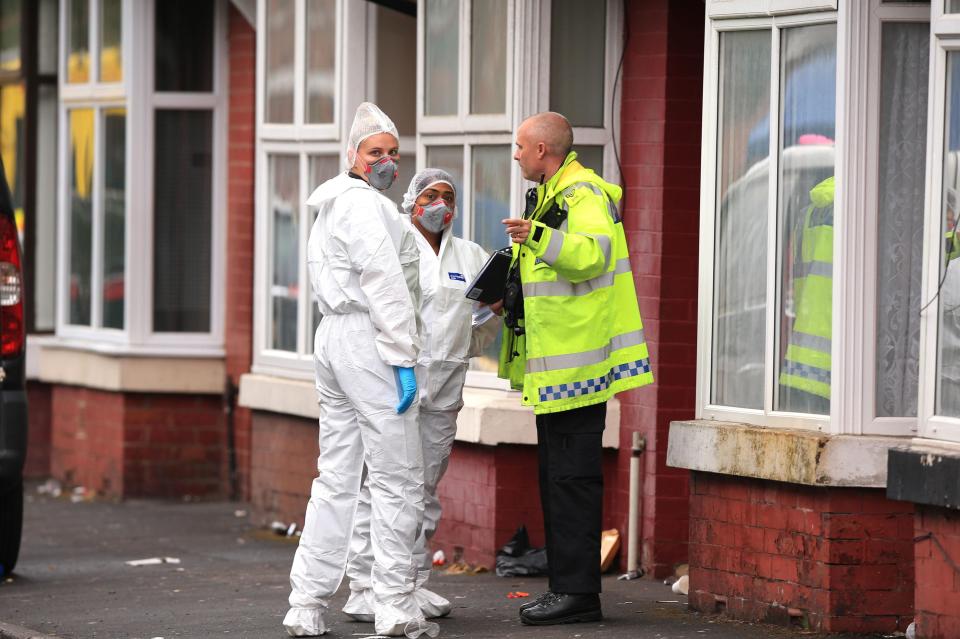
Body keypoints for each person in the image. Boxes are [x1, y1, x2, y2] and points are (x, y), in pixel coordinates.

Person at [283, 102, 434, 638]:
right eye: (377, 152)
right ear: (353, 154)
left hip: (334, 339)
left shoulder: (331, 205)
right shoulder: (365, 208)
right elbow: (386, 286)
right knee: (398, 476)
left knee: (337, 477)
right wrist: (402, 358)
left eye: (394, 153)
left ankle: (307, 602)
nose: (387, 161)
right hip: (368, 342)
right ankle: (394, 603)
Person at [498, 112, 654, 626]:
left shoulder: (581, 193)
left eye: (521, 146)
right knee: (559, 481)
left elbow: (593, 255)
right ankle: (566, 589)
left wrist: (537, 238)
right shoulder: (552, 192)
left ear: (543, 149)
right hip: (560, 371)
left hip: (578, 368)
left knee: (572, 483)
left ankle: (577, 595)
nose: (516, 154)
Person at [342, 169, 501, 622]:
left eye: (448, 197)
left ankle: (410, 582)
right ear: (411, 199)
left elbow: (476, 333)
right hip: (396, 382)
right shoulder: (393, 244)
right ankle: (364, 585)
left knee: (424, 488)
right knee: (384, 487)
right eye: (430, 195)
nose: (440, 205)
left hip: (445, 385)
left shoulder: (470, 256)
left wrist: (492, 312)